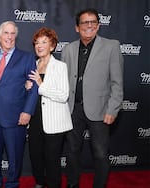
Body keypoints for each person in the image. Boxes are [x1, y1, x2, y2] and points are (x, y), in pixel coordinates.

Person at [61, 8, 124, 188]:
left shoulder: (111, 46)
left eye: (93, 22)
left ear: (98, 25)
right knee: (72, 153)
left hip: (101, 109)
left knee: (100, 154)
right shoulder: (68, 49)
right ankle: (72, 185)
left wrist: (113, 109)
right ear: (77, 27)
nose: (89, 26)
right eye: (84, 22)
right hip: (73, 109)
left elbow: (117, 82)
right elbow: (63, 80)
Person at [0, 21, 38, 188]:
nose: (9, 37)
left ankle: (12, 184)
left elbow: (34, 86)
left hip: (16, 117)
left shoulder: (27, 57)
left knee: (15, 156)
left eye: (12, 33)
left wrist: (27, 111)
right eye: (6, 33)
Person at [27, 27, 73, 188]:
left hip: (54, 121)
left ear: (52, 46)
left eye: (44, 42)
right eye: (37, 43)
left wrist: (40, 84)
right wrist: (26, 87)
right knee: (35, 156)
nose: (39, 46)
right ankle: (39, 183)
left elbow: (63, 95)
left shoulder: (60, 66)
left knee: (52, 159)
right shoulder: (32, 65)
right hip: (35, 119)